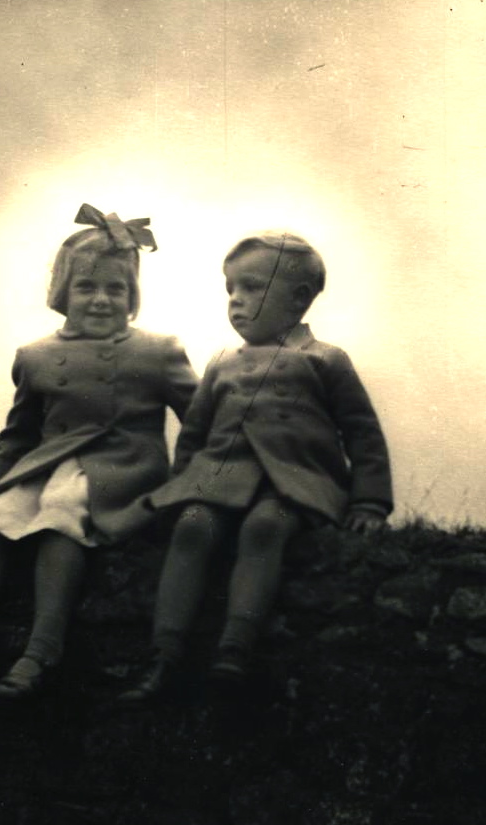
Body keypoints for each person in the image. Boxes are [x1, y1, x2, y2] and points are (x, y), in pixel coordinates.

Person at [0, 203, 197, 704]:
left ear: (131, 296)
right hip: (48, 465)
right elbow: (18, 436)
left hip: (121, 470)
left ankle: (41, 652)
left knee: (62, 515)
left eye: (115, 289)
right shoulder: (34, 357)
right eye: (86, 288)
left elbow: (203, 420)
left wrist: (190, 480)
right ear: (62, 293)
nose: (101, 300)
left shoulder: (158, 351)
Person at [119, 230, 393, 704]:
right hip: (220, 478)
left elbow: (362, 433)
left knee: (268, 526)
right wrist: (182, 486)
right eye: (230, 290)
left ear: (299, 298)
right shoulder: (223, 363)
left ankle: (235, 649)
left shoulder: (326, 359)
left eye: (251, 287)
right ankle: (163, 655)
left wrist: (368, 501)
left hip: (295, 482)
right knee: (192, 526)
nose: (236, 301)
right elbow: (195, 436)